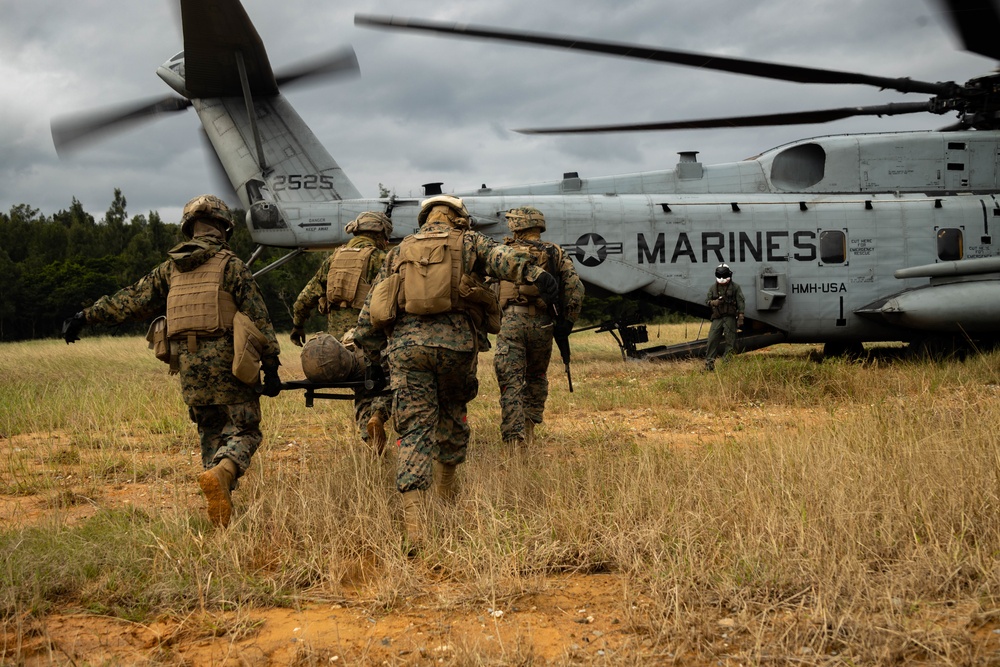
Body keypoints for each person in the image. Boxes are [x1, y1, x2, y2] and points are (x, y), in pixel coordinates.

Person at [61, 194, 282, 527]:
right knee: (245, 430)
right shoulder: (231, 265)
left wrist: (84, 315)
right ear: (224, 227)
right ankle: (223, 472)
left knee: (210, 433)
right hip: (230, 365)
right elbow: (258, 319)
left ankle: (220, 510)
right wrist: (271, 366)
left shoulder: (170, 269)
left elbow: (130, 302)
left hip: (189, 368)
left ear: (189, 228)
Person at [354, 194, 558, 552]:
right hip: (457, 348)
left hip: (407, 350)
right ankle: (446, 499)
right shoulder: (469, 242)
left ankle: (416, 528)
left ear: (425, 218)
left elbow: (374, 308)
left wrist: (374, 355)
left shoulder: (398, 252)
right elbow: (504, 259)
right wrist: (537, 273)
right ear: (459, 218)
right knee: (452, 416)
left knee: (414, 429)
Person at [289, 211, 393, 452]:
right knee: (387, 382)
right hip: (372, 342)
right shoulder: (381, 259)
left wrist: (298, 326)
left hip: (339, 349)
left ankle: (370, 443)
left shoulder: (333, 259)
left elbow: (305, 298)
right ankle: (378, 414)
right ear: (379, 234)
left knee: (361, 387)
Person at [493, 206, 584, 449]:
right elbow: (575, 287)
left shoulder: (503, 252)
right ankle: (529, 430)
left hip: (511, 322)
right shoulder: (554, 252)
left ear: (516, 226)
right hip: (543, 323)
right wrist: (567, 321)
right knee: (535, 378)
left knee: (510, 381)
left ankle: (514, 440)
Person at [704, 263, 745, 371]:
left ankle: (726, 365)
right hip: (717, 317)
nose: (722, 278)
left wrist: (741, 316)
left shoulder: (735, 287)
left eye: (724, 275)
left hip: (730, 318)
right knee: (712, 340)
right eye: (720, 275)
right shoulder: (713, 288)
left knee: (731, 342)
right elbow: (707, 302)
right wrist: (714, 302)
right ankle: (709, 365)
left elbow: (741, 301)